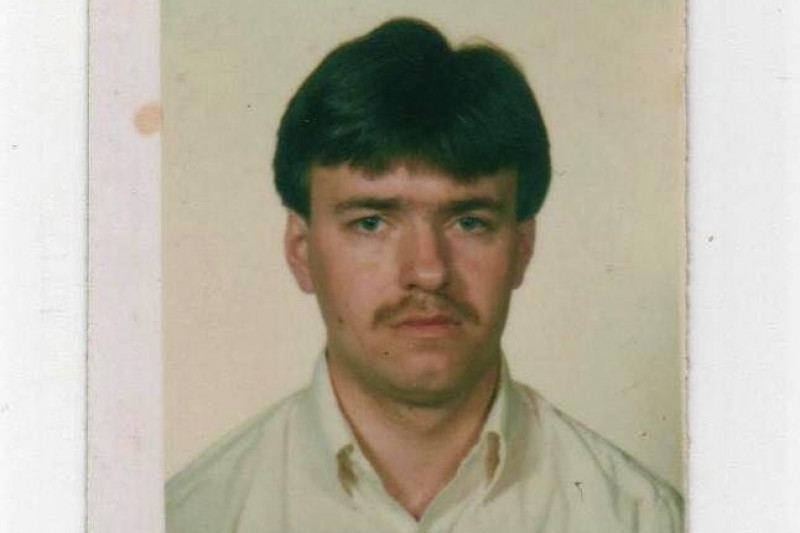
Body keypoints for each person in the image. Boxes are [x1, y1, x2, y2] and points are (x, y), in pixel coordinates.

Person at [165, 18, 683, 532]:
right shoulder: (190, 518)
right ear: (301, 251)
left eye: (469, 222)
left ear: (522, 249)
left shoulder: (645, 520)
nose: (429, 272)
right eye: (371, 222)